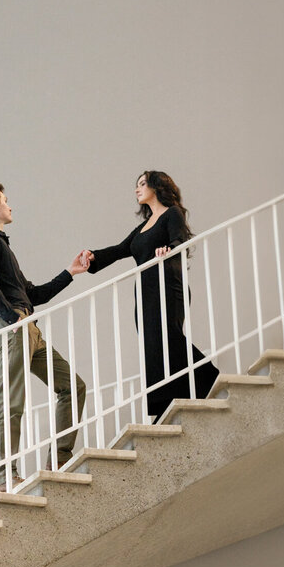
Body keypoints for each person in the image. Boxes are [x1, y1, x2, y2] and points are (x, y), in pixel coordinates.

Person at [0, 183, 89, 487]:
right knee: (11, 402)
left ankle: (59, 458)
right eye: (6, 201)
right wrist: (13, 320)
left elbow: (32, 293)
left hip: (28, 326)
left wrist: (69, 273)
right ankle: (5, 476)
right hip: (13, 326)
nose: (11, 206)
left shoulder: (2, 243)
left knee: (73, 387)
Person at [85, 172, 219, 416]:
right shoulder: (142, 227)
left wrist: (168, 249)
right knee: (153, 346)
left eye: (142, 184)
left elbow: (180, 240)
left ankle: (207, 377)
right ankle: (164, 405)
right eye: (136, 185)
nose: (137, 189)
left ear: (157, 187)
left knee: (169, 338)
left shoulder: (172, 213)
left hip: (168, 285)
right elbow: (119, 250)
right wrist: (92, 258)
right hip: (145, 293)